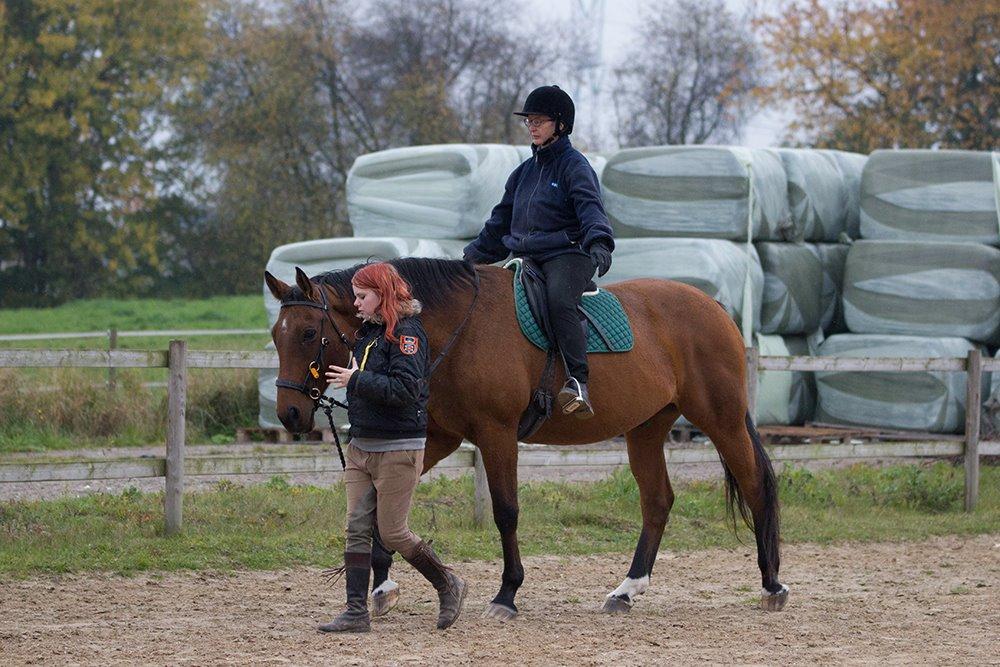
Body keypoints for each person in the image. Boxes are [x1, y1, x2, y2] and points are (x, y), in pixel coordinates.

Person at [319, 262, 467, 633]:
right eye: (355, 296)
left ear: (382, 295)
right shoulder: (366, 336)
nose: (356, 304)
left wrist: (357, 379)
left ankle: (448, 583)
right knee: (355, 527)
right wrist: (348, 384)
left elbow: (404, 391)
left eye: (362, 296)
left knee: (393, 532)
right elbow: (368, 385)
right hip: (362, 446)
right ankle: (355, 612)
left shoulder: (408, 336)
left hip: (398, 448)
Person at [462, 84, 614, 418]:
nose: (532, 126)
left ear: (560, 124)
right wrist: (468, 260)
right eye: (529, 120)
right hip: (527, 258)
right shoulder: (522, 174)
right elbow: (498, 225)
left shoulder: (575, 166)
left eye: (540, 120)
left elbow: (590, 209)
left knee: (559, 299)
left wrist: (600, 242)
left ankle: (578, 381)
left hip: (569, 255)